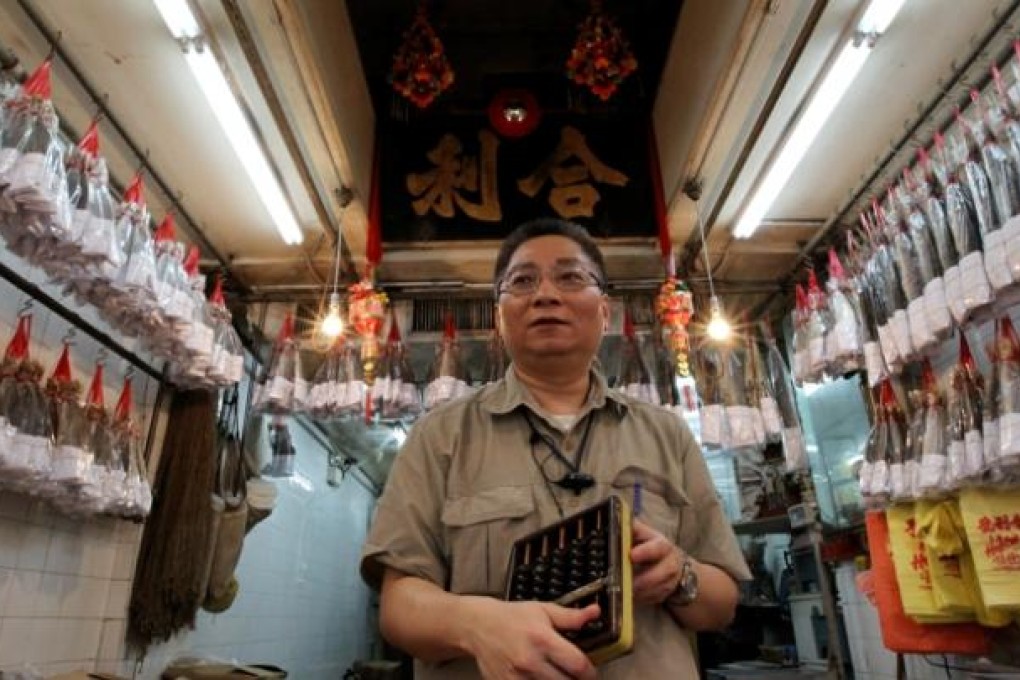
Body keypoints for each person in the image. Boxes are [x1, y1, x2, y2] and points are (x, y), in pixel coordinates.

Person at [360, 218, 750, 679]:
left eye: (570, 277)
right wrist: (476, 625)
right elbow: (398, 606)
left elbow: (723, 604)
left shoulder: (668, 435)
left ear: (604, 311)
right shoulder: (439, 437)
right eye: (522, 281)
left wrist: (679, 575)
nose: (546, 294)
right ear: (499, 316)